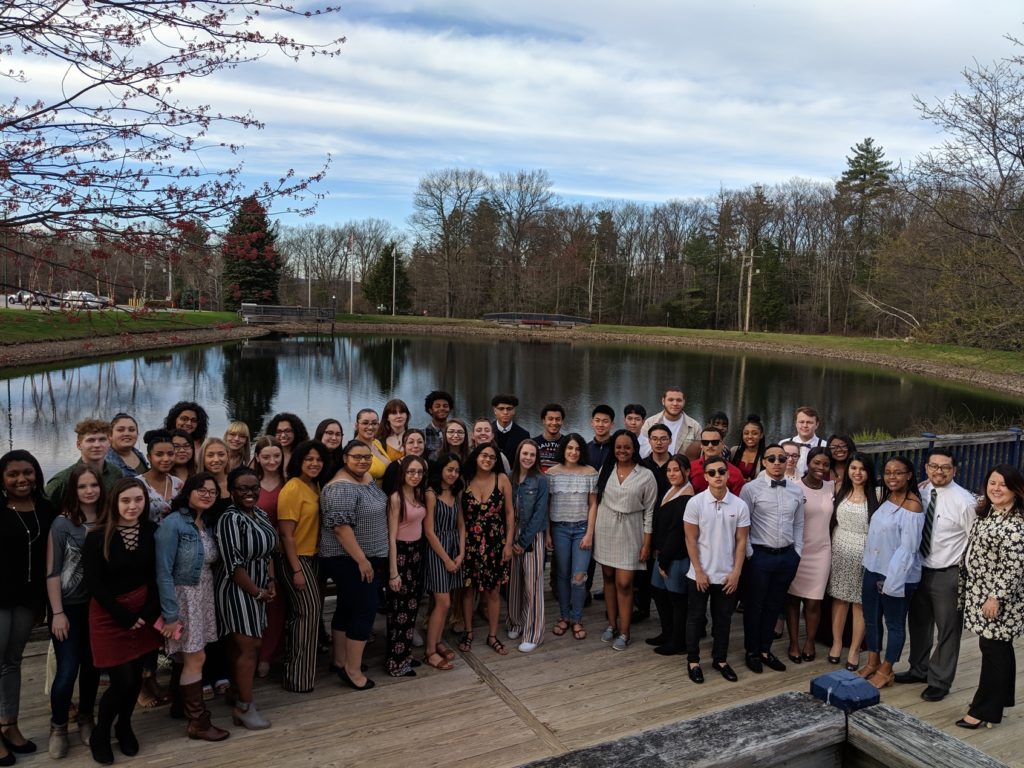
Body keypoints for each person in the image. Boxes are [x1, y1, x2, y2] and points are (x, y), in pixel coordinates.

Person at [82, 478, 163, 765]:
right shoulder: (97, 536)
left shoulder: (153, 531)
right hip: (109, 615)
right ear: (115, 502)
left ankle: (124, 725)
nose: (132, 506)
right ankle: (101, 733)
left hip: (143, 613)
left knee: (136, 678)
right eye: (126, 500)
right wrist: (123, 616)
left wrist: (148, 613)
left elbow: (157, 575)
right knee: (121, 681)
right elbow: (94, 583)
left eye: (138, 500)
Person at [896, 448, 977, 702]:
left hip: (948, 573)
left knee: (948, 628)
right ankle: (918, 669)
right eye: (934, 466)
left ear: (954, 470)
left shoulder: (965, 501)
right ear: (926, 468)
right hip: (919, 569)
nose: (938, 471)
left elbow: (974, 540)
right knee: (918, 623)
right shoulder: (919, 492)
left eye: (945, 467)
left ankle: (940, 680)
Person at [155, 473, 230, 742]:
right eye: (201, 490)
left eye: (212, 491)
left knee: (187, 656)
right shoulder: (173, 524)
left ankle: (180, 706)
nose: (208, 495)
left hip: (203, 595)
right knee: (195, 657)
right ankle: (198, 721)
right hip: (183, 597)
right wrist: (171, 616)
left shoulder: (206, 522)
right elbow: (163, 572)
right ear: (188, 492)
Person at [955, 464, 1024, 730]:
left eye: (1002, 485)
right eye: (992, 483)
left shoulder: (1016, 524)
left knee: (994, 650)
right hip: (979, 592)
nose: (996, 488)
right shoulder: (990, 512)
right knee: (997, 648)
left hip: (996, 600)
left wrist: (996, 597)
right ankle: (1002, 698)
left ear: (1015, 490)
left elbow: (1013, 566)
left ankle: (984, 710)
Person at [319, 440, 389, 691]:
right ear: (345, 458)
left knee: (347, 607)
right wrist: (362, 560)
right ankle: (353, 671)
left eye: (367, 457)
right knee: (365, 608)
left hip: (365, 558)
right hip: (349, 559)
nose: (362, 461)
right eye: (356, 457)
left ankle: (340, 660)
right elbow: (340, 528)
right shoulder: (340, 487)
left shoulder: (365, 477)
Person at [1, 450, 55, 762]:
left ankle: (9, 724)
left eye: (28, 472)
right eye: (13, 474)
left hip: (27, 599)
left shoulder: (45, 508)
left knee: (12, 662)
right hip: (0, 598)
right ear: (2, 479)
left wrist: (43, 603)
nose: (22, 479)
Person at [46, 466, 102, 758]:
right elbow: (53, 572)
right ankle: (58, 726)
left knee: (92, 667)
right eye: (83, 486)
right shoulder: (62, 524)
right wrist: (57, 613)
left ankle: (85, 718)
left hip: (98, 607)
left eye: (94, 485)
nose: (89, 490)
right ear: (74, 490)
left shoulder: (108, 520)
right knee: (67, 670)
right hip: (68, 606)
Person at [215, 467, 278, 729]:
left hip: (259, 586)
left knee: (242, 647)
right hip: (237, 590)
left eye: (254, 488)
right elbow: (233, 564)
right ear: (231, 491)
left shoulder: (260, 514)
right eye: (243, 488)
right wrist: (257, 592)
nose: (250, 493)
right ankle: (244, 707)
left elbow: (268, 553)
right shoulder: (229, 519)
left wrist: (271, 582)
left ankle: (237, 694)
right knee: (249, 646)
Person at [684, 455, 749, 684]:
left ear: (727, 473)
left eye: (721, 471)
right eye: (712, 473)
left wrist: (736, 572)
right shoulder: (695, 503)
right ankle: (693, 660)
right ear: (705, 476)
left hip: (727, 574)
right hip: (700, 574)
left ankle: (720, 659)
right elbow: (691, 540)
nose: (717, 476)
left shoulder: (739, 505)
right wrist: (699, 571)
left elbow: (741, 541)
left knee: (723, 619)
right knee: (695, 618)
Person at [860, 456, 924, 689]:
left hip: (896, 575)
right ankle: (872, 661)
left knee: (894, 623)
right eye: (888, 472)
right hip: (873, 568)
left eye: (898, 472)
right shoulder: (886, 498)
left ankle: (887, 669)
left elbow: (908, 549)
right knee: (871, 618)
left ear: (909, 475)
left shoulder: (913, 506)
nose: (892, 477)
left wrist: (892, 582)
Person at [740, 443, 805, 674]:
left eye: (781, 458)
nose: (777, 462)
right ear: (764, 462)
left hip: (786, 556)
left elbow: (798, 524)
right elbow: (743, 525)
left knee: (774, 605)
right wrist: (749, 554)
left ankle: (766, 650)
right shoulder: (751, 490)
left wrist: (797, 552)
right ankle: (751, 651)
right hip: (759, 556)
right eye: (772, 458)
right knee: (755, 605)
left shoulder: (796, 490)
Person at [594, 430, 658, 650]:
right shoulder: (606, 470)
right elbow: (596, 501)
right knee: (609, 578)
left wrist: (647, 543)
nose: (622, 451)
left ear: (634, 449)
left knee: (625, 582)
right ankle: (611, 625)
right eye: (618, 447)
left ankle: (625, 631)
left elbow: (649, 512)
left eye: (627, 447)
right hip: (605, 528)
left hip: (631, 530)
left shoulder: (645, 475)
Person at [277, 441, 325, 693]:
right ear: (299, 461)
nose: (314, 463)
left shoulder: (314, 485)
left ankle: (304, 673)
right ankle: (296, 677)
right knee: (307, 614)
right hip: (297, 560)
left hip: (313, 558)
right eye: (309, 459)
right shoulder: (292, 489)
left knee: (310, 616)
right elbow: (286, 536)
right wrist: (296, 570)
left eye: (318, 459)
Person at [459, 443, 515, 656]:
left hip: (495, 543)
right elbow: (460, 517)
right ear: (476, 457)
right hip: (470, 543)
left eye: (492, 457)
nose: (488, 460)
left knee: (493, 591)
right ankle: (468, 631)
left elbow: (510, 513)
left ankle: (492, 635)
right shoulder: (465, 480)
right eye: (484, 455)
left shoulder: (502, 479)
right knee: (468, 589)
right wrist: (461, 547)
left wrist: (508, 543)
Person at [827, 453, 878, 671]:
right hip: (839, 549)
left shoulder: (877, 493)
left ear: (869, 472)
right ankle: (837, 643)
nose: (857, 473)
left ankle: (855, 648)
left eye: (862, 469)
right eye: (853, 468)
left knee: (860, 602)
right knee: (839, 598)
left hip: (865, 552)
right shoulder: (839, 489)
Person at [547, 434, 598, 641]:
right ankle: (564, 617)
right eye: (569, 448)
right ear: (564, 449)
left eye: (577, 449)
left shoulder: (590, 473)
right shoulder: (551, 473)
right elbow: (547, 505)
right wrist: (548, 533)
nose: (573, 452)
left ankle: (577, 618)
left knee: (579, 576)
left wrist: (589, 533)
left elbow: (594, 504)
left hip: (581, 529)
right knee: (562, 574)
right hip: (559, 528)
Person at [785, 447, 835, 663]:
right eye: (817, 463)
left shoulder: (832, 487)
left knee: (814, 602)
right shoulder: (794, 488)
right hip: (798, 550)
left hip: (822, 550)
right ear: (808, 463)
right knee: (793, 599)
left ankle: (810, 641)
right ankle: (794, 642)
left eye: (825, 464)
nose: (820, 468)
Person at [385, 455, 428, 676]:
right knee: (399, 611)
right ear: (403, 473)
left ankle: (405, 654)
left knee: (411, 610)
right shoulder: (395, 498)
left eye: (419, 472)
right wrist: (393, 572)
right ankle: (396, 663)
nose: (415, 476)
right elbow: (391, 537)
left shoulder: (419, 494)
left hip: (416, 554)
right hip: (400, 554)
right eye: (411, 471)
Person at [423, 454, 466, 671]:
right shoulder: (431, 494)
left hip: (454, 548)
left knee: (446, 599)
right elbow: (429, 532)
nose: (453, 474)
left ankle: (438, 641)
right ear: (441, 469)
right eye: (449, 469)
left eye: (456, 471)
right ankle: (430, 651)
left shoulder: (456, 492)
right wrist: (447, 559)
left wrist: (461, 553)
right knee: (443, 602)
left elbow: (461, 525)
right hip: (437, 551)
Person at [506, 440, 549, 653]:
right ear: (519, 454)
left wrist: (523, 542)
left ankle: (534, 633)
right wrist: (511, 540)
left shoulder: (540, 480)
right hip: (511, 537)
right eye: (525, 453)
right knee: (515, 584)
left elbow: (540, 513)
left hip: (532, 537)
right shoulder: (510, 477)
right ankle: (516, 622)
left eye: (532, 455)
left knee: (533, 585)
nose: (528, 458)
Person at [649, 455, 693, 656]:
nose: (672, 474)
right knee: (658, 591)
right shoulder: (671, 490)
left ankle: (679, 641)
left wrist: (664, 559)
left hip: (675, 557)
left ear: (687, 471)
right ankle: (667, 632)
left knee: (677, 600)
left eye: (676, 470)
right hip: (662, 553)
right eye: (669, 470)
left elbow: (677, 532)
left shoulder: (687, 497)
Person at [252, 436, 286, 678]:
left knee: (279, 606)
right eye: (266, 457)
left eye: (276, 456)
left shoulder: (289, 483)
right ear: (257, 458)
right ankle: (256, 654)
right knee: (260, 603)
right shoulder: (251, 484)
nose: (272, 461)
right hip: (258, 554)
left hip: (286, 551)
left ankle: (271, 654)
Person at [44, 418, 123, 501]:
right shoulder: (62, 480)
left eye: (102, 439)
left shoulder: (116, 473)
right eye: (90, 440)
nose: (97, 445)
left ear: (109, 443)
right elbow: (41, 509)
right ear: (79, 445)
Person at [639, 388, 701, 459]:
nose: (675, 404)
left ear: (684, 402)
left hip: (683, 469)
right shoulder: (649, 423)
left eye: (679, 400)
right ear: (663, 401)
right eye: (670, 400)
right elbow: (642, 450)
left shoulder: (695, 427)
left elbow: (700, 455)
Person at [138, 430, 184, 523]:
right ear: (149, 457)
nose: (166, 459)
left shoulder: (178, 484)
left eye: (170, 454)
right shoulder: (137, 484)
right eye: (159, 454)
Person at [689, 427, 745, 496]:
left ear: (722, 444)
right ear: (701, 445)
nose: (710, 446)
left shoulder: (735, 473)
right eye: (705, 442)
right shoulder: (690, 468)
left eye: (714, 442)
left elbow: (738, 502)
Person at [381, 429, 427, 495]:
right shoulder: (394, 467)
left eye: (420, 442)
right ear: (403, 445)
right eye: (411, 442)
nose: (416, 446)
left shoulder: (428, 464)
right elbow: (387, 493)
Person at [491, 394, 530, 465]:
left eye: (509, 409)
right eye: (501, 409)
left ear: (514, 411)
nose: (505, 412)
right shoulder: (487, 432)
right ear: (495, 411)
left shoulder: (523, 435)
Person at [354, 409, 390, 485]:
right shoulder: (354, 449)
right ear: (357, 426)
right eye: (365, 423)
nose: (370, 427)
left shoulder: (376, 442)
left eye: (374, 423)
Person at [789, 406, 827, 477]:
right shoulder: (784, 443)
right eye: (801, 422)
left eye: (809, 422)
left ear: (817, 425)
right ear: (796, 423)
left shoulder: (825, 446)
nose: (805, 425)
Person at [730, 415, 766, 482]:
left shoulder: (766, 455)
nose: (749, 436)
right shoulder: (734, 451)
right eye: (746, 433)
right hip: (734, 490)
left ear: (761, 435)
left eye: (754, 433)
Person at [533, 404, 566, 472]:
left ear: (562, 421)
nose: (554, 423)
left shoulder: (568, 443)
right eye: (550, 419)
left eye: (558, 419)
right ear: (544, 421)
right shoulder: (533, 443)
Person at [423, 391, 454, 458]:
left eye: (445, 406)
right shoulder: (423, 434)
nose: (442, 408)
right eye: (437, 406)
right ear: (430, 410)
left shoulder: (456, 433)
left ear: (450, 409)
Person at [587, 405, 615, 469]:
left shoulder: (617, 448)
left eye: (605, 421)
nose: (600, 425)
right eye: (597, 420)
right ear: (592, 422)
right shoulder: (585, 448)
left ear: (612, 424)